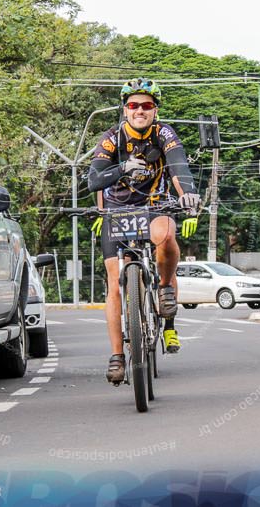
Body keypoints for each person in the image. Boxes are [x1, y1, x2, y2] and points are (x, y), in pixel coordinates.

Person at [87, 77, 200, 384]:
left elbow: (179, 167)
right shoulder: (111, 139)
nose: (140, 110)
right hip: (117, 210)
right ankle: (117, 356)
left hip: (154, 204)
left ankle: (164, 286)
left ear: (154, 111)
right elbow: (94, 179)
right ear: (125, 110)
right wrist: (122, 168)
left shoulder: (164, 133)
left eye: (147, 105)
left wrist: (187, 193)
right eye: (134, 105)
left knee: (166, 234)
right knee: (114, 282)